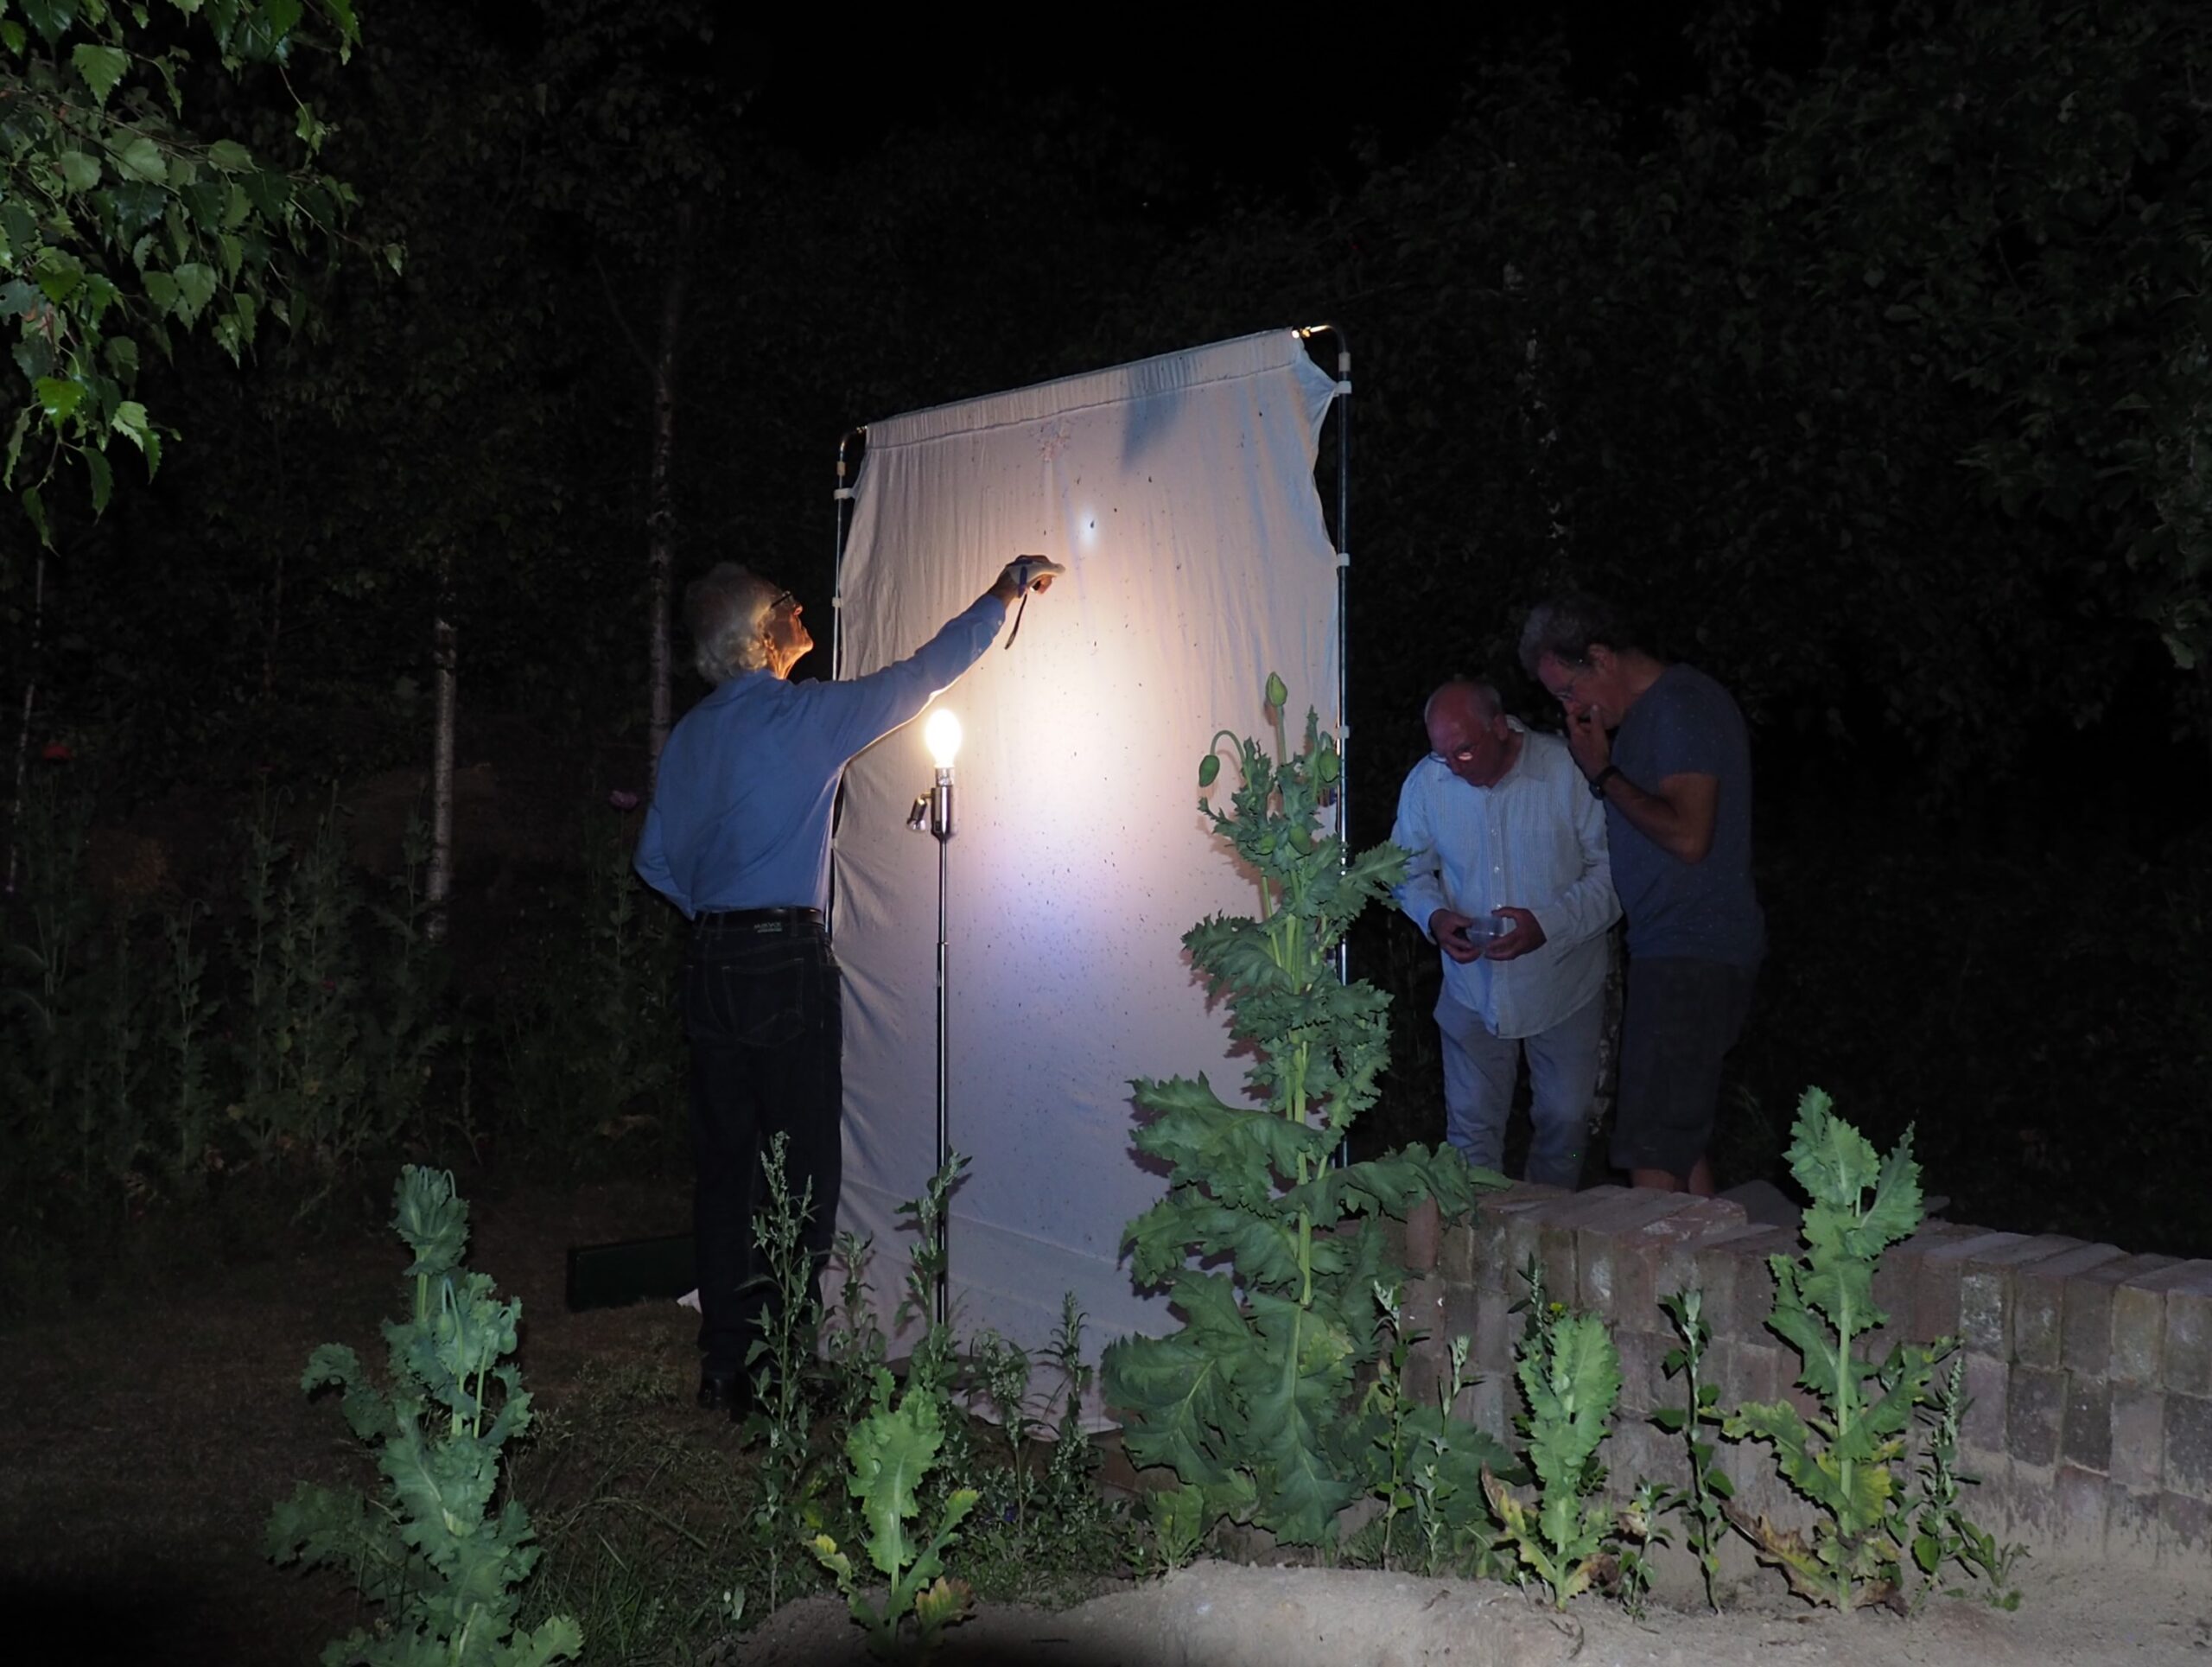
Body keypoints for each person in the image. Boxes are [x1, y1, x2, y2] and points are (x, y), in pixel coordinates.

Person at [636, 555, 1059, 1417]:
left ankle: (725, 1367)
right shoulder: (802, 717)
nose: (800, 610)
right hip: (785, 963)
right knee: (801, 1175)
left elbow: (651, 860)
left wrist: (719, 913)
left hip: (711, 966)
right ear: (762, 636)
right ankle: (784, 1370)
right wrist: (1003, 591)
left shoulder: (690, 737)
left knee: (725, 1173)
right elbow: (922, 676)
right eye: (786, 605)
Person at [1518, 594, 1763, 1195]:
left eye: (1569, 690)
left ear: (1600, 658)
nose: (1572, 707)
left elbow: (1688, 834)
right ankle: (1715, 1278)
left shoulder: (1680, 707)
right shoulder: (1649, 722)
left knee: (1651, 1145)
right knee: (1676, 1136)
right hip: (1671, 947)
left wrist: (1603, 773)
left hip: (1693, 949)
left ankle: (1651, 1288)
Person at [1391, 678, 1620, 1187]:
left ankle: (1551, 1240)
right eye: (1441, 754)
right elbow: (1401, 870)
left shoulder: (1567, 772)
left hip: (1563, 982)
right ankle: (1478, 1249)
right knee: (1471, 1133)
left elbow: (1615, 874)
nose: (1452, 766)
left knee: (1567, 1122)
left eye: (1464, 751)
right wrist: (1434, 917)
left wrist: (1549, 926)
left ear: (1500, 727)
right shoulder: (1428, 783)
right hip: (1471, 989)